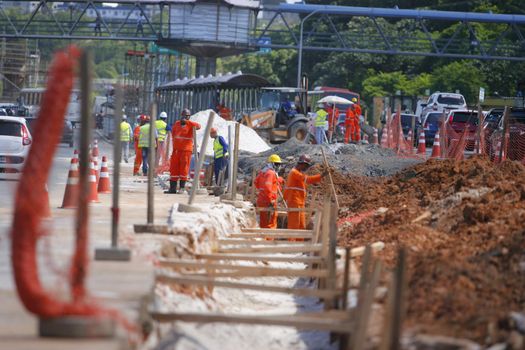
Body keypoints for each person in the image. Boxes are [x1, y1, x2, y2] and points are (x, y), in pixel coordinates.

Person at [284, 155, 326, 230]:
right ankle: (292, 242)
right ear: (302, 164)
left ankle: (300, 241)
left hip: (300, 203)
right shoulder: (294, 173)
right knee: (294, 226)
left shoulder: (298, 173)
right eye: (306, 166)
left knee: (301, 226)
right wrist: (321, 176)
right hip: (294, 202)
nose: (306, 168)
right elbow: (308, 180)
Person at [165, 108, 201, 194]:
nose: (186, 117)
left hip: (186, 151)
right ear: (181, 115)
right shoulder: (176, 124)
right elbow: (173, 133)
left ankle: (181, 188)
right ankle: (172, 188)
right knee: (173, 169)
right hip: (176, 151)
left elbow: (199, 126)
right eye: (185, 116)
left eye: (188, 116)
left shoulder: (191, 125)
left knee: (184, 169)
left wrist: (188, 122)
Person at [255, 154, 284, 229]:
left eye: (279, 164)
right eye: (277, 164)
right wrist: (270, 199)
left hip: (261, 200)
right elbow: (268, 187)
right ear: (272, 164)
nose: (278, 166)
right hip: (269, 201)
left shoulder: (263, 172)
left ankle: (263, 239)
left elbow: (256, 182)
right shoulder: (271, 173)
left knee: (263, 223)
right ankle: (269, 240)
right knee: (271, 223)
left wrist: (262, 192)